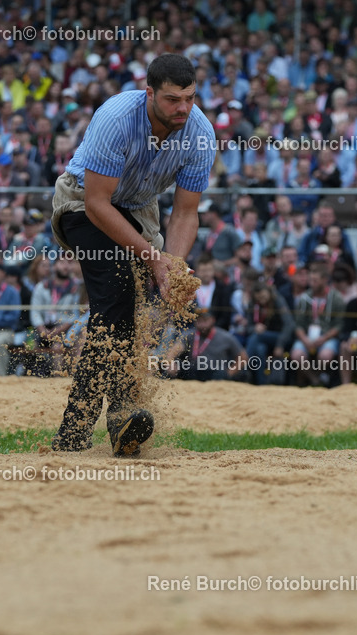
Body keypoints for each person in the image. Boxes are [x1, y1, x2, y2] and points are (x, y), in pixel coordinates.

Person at [49, 54, 213, 457]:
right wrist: (154, 260)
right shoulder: (117, 118)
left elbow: (186, 212)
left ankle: (115, 422)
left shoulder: (201, 133)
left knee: (129, 312)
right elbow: (97, 205)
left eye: (190, 99)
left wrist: (172, 267)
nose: (183, 109)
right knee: (118, 298)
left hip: (139, 212)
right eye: (174, 99)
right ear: (150, 93)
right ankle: (88, 427)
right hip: (82, 205)